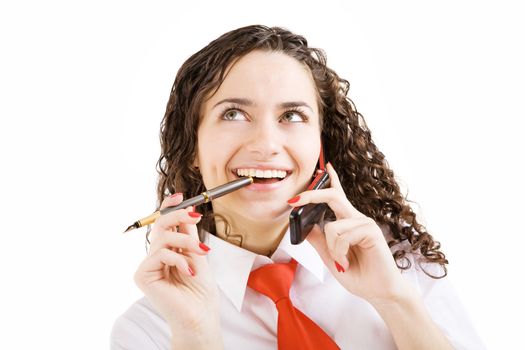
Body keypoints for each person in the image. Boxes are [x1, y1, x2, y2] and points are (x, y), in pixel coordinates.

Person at [111, 25, 485, 350]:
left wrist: (394, 300)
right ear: (192, 146)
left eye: (292, 115)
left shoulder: (397, 262)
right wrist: (197, 335)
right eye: (234, 114)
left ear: (320, 144)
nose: (267, 143)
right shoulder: (150, 331)